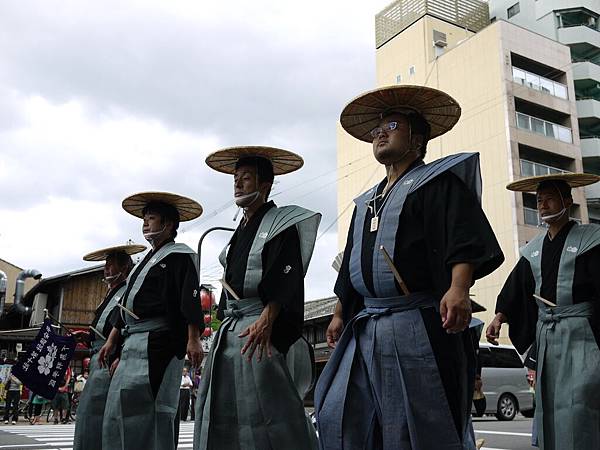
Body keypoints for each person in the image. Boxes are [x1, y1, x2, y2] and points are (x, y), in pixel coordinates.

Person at [314, 85, 504, 450]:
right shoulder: (366, 202)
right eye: (376, 130)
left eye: (393, 125)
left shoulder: (438, 183)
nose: (380, 133)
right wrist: (339, 312)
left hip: (418, 322)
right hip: (367, 326)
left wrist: (459, 288)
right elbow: (354, 261)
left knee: (423, 420)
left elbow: (462, 235)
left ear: (417, 138)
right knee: (350, 413)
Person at [194, 146, 321, 449]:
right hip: (233, 329)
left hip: (260, 326)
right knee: (224, 408)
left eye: (246, 178)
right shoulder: (240, 228)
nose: (237, 183)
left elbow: (286, 276)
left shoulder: (281, 222)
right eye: (236, 178)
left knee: (268, 409)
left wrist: (268, 317)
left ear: (265, 185)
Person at [486, 173, 600, 450]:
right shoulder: (533, 251)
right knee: (549, 401)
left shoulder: (591, 239)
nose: (543, 206)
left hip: (582, 332)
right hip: (547, 334)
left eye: (550, 199)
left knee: (583, 397)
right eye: (539, 201)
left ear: (568, 201)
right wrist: (499, 316)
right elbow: (515, 289)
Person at [99, 192, 204, 450]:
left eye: (152, 218)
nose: (145, 223)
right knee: (120, 405)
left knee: (151, 407)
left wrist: (193, 338)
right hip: (132, 340)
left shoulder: (180, 256)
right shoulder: (142, 263)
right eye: (144, 219)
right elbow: (125, 307)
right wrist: (114, 341)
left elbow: (188, 298)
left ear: (168, 225)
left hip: (159, 341)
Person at [73, 244, 145, 450]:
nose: (106, 269)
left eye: (111, 265)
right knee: (90, 412)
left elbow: (125, 326)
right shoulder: (111, 293)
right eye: (106, 265)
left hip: (110, 359)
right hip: (98, 354)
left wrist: (120, 355)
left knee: (96, 412)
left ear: (124, 268)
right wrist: (86, 336)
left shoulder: (127, 292)